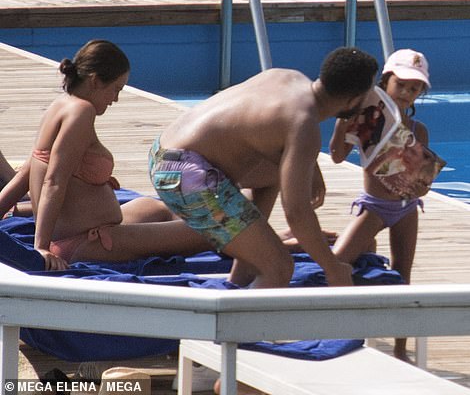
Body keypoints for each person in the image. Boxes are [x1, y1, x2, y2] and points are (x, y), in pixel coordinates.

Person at [149, 46, 379, 289]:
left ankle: (242, 274)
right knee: (278, 267)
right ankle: (236, 323)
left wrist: (310, 167)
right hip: (185, 176)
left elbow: (275, 135)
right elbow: (297, 212)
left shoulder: (287, 76)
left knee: (273, 175)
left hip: (163, 151)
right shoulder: (303, 124)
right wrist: (332, 268)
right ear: (353, 100)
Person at [0, 40, 215, 270]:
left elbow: (27, 174)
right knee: (215, 229)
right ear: (95, 80)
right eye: (116, 89)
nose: (115, 99)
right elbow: (54, 181)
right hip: (87, 242)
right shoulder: (81, 112)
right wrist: (40, 248)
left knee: (154, 207)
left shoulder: (60, 105)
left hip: (88, 233)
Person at [329, 48, 431, 362]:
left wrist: (417, 171)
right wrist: (342, 126)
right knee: (336, 262)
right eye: (400, 85)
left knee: (403, 275)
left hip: (406, 207)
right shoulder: (368, 119)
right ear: (385, 82)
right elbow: (336, 156)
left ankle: (401, 350)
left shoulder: (418, 130)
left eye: (414, 89)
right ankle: (335, 333)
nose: (406, 93)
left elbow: (422, 185)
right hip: (374, 206)